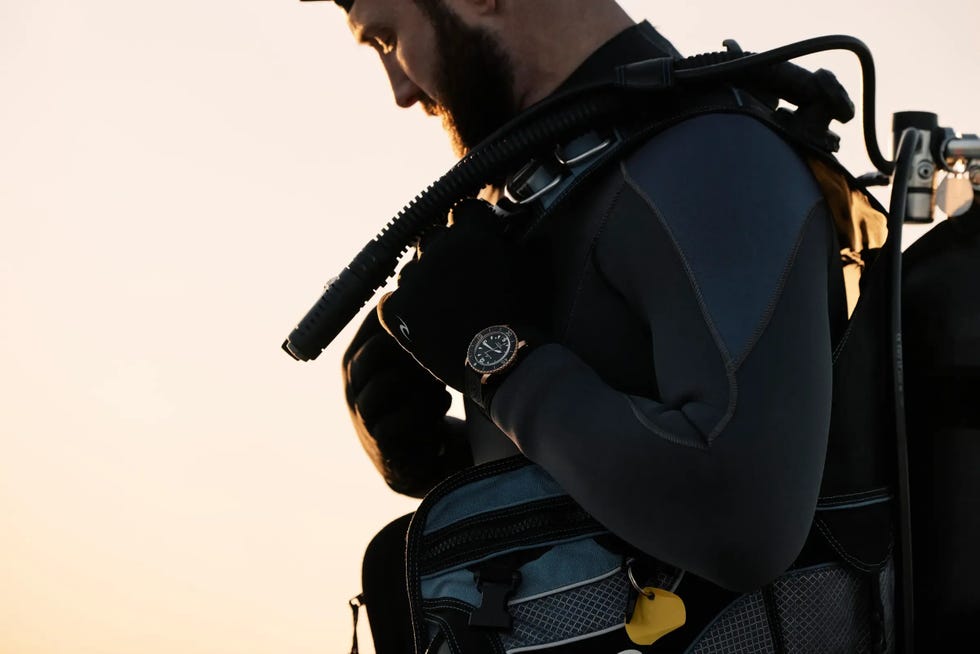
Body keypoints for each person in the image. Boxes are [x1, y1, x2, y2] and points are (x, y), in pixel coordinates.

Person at [313, 0, 898, 651]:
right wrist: (444, 450)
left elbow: (742, 522)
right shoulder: (560, 185)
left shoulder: (710, 163)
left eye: (388, 38)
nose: (398, 87)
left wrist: (495, 360)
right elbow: (609, 498)